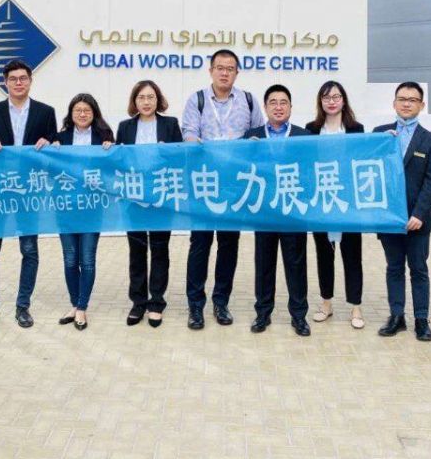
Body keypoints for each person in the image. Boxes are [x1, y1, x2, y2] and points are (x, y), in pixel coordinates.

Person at [180, 49, 265, 330]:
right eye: (220, 67)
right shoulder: (197, 100)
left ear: (237, 72)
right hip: (203, 182)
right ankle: (195, 306)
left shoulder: (248, 101)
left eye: (230, 68)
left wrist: (249, 144)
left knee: (229, 244)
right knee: (200, 244)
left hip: (234, 184)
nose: (224, 73)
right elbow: (188, 132)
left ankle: (221, 302)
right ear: (211, 70)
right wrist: (195, 142)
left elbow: (258, 134)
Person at [0, 59, 58, 330]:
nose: (18, 83)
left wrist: (50, 142)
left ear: (30, 81)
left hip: (29, 191)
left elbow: (55, 146)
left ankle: (23, 306)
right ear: (5, 82)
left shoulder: (46, 112)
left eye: (23, 78)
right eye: (13, 79)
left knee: (29, 249)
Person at [373, 82, 431, 341]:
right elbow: (370, 171)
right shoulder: (380, 135)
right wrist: (381, 145)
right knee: (394, 267)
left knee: (418, 269)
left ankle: (421, 319)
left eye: (412, 100)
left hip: (417, 220)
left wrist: (419, 214)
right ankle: (396, 316)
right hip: (389, 218)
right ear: (394, 103)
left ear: (421, 105)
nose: (406, 103)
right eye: (402, 99)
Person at [245, 85, 312, 336]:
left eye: (283, 102)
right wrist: (247, 151)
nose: (278, 107)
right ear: (265, 107)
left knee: (296, 265)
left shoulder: (303, 136)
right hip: (264, 212)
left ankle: (299, 316)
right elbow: (240, 168)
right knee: (264, 264)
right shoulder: (251, 136)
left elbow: (311, 171)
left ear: (291, 107)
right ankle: (263, 313)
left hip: (293, 211)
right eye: (273, 102)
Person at [115, 80, 183, 328]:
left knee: (160, 249)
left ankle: (156, 303)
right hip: (133, 197)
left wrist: (168, 153)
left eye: (151, 97)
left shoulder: (170, 124)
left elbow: (180, 158)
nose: (146, 102)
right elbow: (118, 160)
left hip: (161, 195)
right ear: (134, 101)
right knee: (136, 251)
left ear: (158, 100)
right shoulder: (124, 127)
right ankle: (138, 302)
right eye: (141, 97)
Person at [304, 80, 366, 329]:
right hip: (321, 201)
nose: (331, 101)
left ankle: (356, 307)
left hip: (348, 203)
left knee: (352, 256)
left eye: (336, 97)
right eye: (326, 97)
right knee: (324, 255)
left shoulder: (356, 129)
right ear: (320, 101)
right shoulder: (311, 129)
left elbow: (363, 159)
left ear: (343, 100)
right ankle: (326, 303)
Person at [54, 94, 114, 331]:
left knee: (87, 259)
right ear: (71, 113)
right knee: (70, 259)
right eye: (77, 110)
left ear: (94, 113)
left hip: (92, 208)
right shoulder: (59, 138)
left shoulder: (104, 136)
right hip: (66, 207)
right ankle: (74, 304)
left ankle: (82, 307)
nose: (82, 114)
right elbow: (48, 168)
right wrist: (51, 150)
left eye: (86, 110)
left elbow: (112, 169)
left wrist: (110, 151)